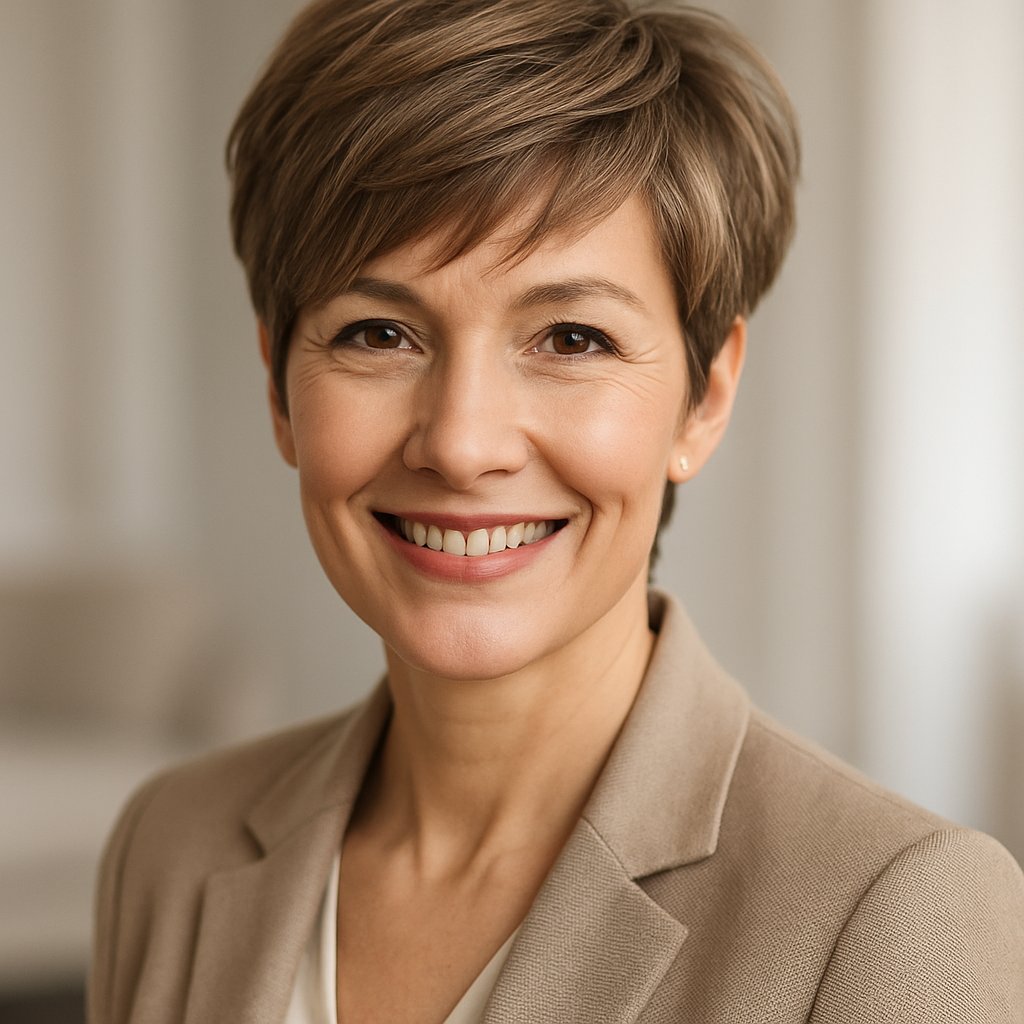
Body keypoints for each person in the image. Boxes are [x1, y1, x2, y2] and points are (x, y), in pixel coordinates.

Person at [89, 0, 1024, 1021]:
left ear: (704, 396)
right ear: (278, 385)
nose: (460, 440)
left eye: (571, 338)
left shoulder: (889, 910)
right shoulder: (169, 847)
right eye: (378, 333)